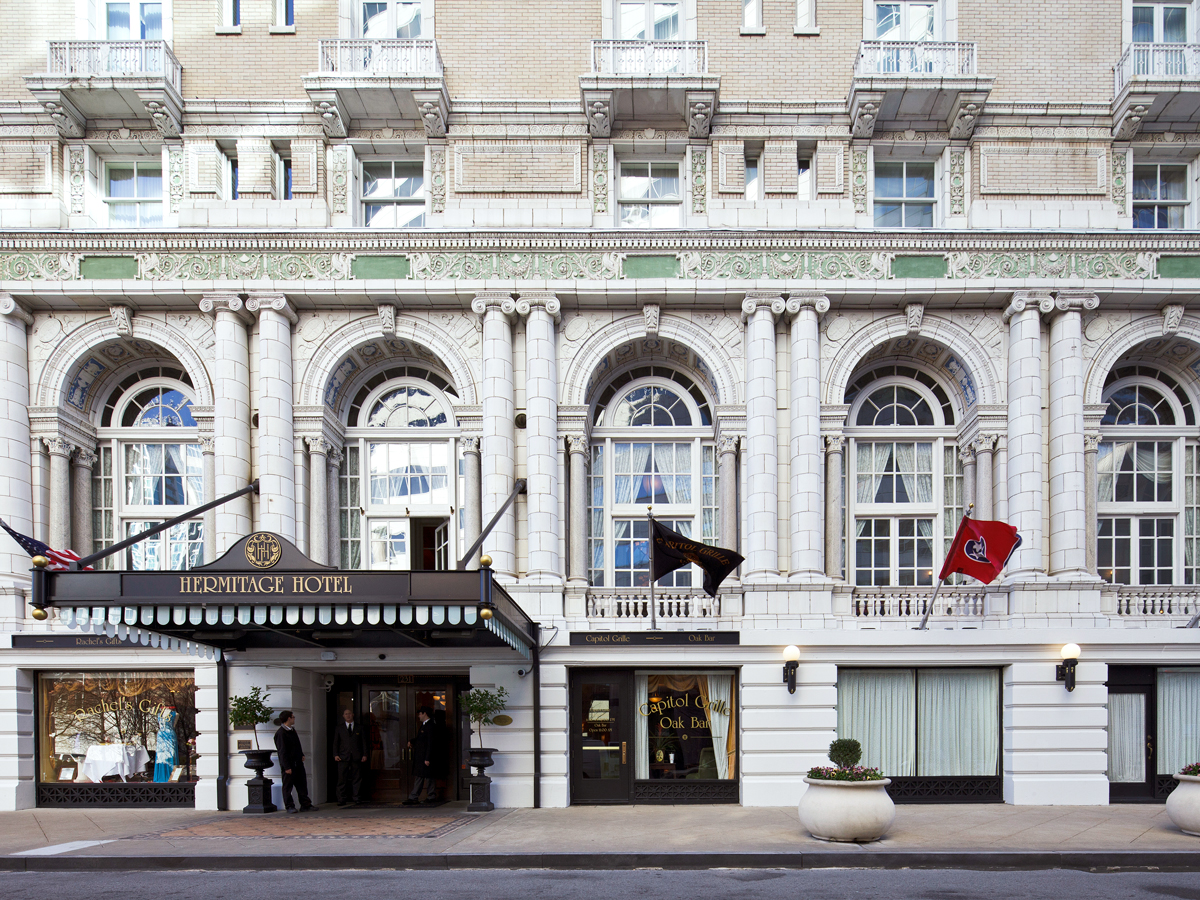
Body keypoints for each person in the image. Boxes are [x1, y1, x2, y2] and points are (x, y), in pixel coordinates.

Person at [273, 710, 317, 813]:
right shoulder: (281, 733)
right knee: (288, 786)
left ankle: (305, 804)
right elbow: (282, 751)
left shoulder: (292, 730)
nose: (294, 719)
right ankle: (289, 806)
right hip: (289, 765)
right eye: (293, 717)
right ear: (289, 718)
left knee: (302, 784)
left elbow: (297, 745)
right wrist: (286, 766)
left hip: (298, 763)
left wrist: (301, 754)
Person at [331, 708, 366, 807]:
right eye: (346, 714)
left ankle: (357, 798)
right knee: (342, 779)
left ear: (353, 715)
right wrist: (336, 754)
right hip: (343, 756)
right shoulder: (339, 728)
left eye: (349, 714)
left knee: (357, 778)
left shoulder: (359, 727)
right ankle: (341, 799)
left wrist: (364, 754)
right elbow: (335, 743)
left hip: (356, 756)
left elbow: (364, 742)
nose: (348, 715)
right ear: (343, 716)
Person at [404, 706, 438, 805]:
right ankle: (417, 796)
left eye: (420, 713)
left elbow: (430, 743)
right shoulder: (424, 725)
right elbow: (421, 739)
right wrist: (412, 741)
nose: (418, 716)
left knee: (428, 776)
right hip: (421, 757)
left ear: (425, 714)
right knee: (422, 776)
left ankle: (428, 796)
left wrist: (427, 758)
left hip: (425, 757)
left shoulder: (430, 726)